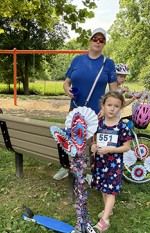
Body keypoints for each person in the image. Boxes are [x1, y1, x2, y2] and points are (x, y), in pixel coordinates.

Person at [53, 27, 118, 181]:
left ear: (104, 44)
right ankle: (67, 167)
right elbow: (66, 82)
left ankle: (89, 172)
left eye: (101, 40)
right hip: (75, 109)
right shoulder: (77, 60)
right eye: (95, 39)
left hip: (96, 112)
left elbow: (113, 92)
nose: (98, 42)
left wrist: (105, 108)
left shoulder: (108, 64)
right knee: (71, 139)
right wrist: (67, 90)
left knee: (94, 143)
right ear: (90, 41)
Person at [90, 91, 131, 233]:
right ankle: (107, 209)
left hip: (113, 164)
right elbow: (94, 140)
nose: (112, 109)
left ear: (121, 108)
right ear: (103, 106)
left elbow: (126, 147)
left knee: (111, 191)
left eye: (116, 106)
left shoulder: (122, 127)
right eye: (109, 105)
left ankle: (105, 220)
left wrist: (110, 150)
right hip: (100, 163)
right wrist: (93, 147)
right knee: (103, 187)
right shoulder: (99, 123)